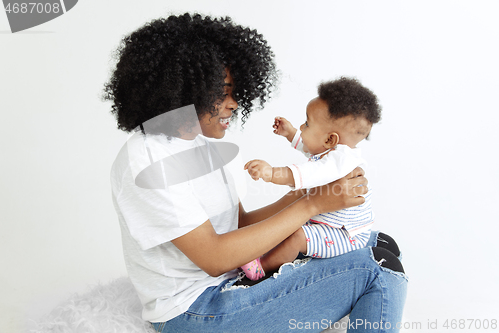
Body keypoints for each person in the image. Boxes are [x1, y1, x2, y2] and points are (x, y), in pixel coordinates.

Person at [104, 13, 407, 333]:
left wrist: (312, 191)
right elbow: (215, 256)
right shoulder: (147, 158)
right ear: (184, 89)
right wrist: (313, 204)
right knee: (379, 268)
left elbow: (240, 226)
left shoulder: (201, 148)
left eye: (236, 92)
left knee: (378, 242)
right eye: (222, 92)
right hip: (195, 312)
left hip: (232, 281)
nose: (234, 104)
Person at [241, 77, 382, 280]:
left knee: (297, 236)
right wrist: (291, 134)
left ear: (330, 139)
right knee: (289, 225)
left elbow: (309, 173)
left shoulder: (340, 161)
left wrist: (271, 173)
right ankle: (266, 254)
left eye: (307, 124)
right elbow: (311, 150)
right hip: (328, 223)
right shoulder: (333, 154)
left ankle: (261, 268)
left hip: (345, 235)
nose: (302, 126)